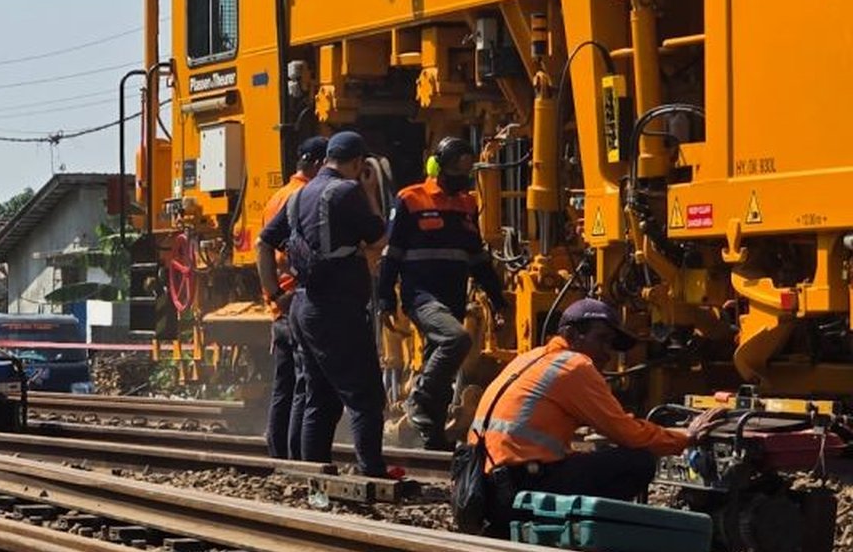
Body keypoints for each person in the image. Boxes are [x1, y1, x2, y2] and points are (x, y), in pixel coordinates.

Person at [472, 298, 723, 534]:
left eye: (610, 344)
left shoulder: (528, 359)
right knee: (638, 462)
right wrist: (685, 437)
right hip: (517, 489)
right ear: (571, 335)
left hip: (482, 490)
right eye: (601, 339)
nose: (607, 352)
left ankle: (520, 526)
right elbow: (627, 433)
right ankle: (573, 532)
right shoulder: (574, 366)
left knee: (589, 459)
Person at [258, 131, 394, 477]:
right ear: (357, 163)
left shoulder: (297, 196)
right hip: (338, 308)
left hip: (303, 305)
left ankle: (312, 473)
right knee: (365, 397)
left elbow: (263, 243)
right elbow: (379, 235)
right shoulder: (347, 191)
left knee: (320, 396)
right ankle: (372, 473)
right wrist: (367, 190)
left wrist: (275, 293)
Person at [377, 136, 510, 449]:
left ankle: (433, 441)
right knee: (457, 339)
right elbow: (391, 255)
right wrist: (385, 299)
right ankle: (419, 400)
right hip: (421, 297)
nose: (461, 176)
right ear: (437, 167)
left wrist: (498, 299)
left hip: (452, 299)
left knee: (438, 361)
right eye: (455, 168)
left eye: (466, 169)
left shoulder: (467, 205)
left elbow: (478, 259)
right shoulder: (411, 199)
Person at [255, 135, 327, 460]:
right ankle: (296, 457)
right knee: (304, 382)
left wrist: (274, 294)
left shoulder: (279, 196)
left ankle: (279, 451)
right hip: (296, 299)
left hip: (281, 303)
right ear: (316, 163)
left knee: (286, 382)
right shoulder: (304, 197)